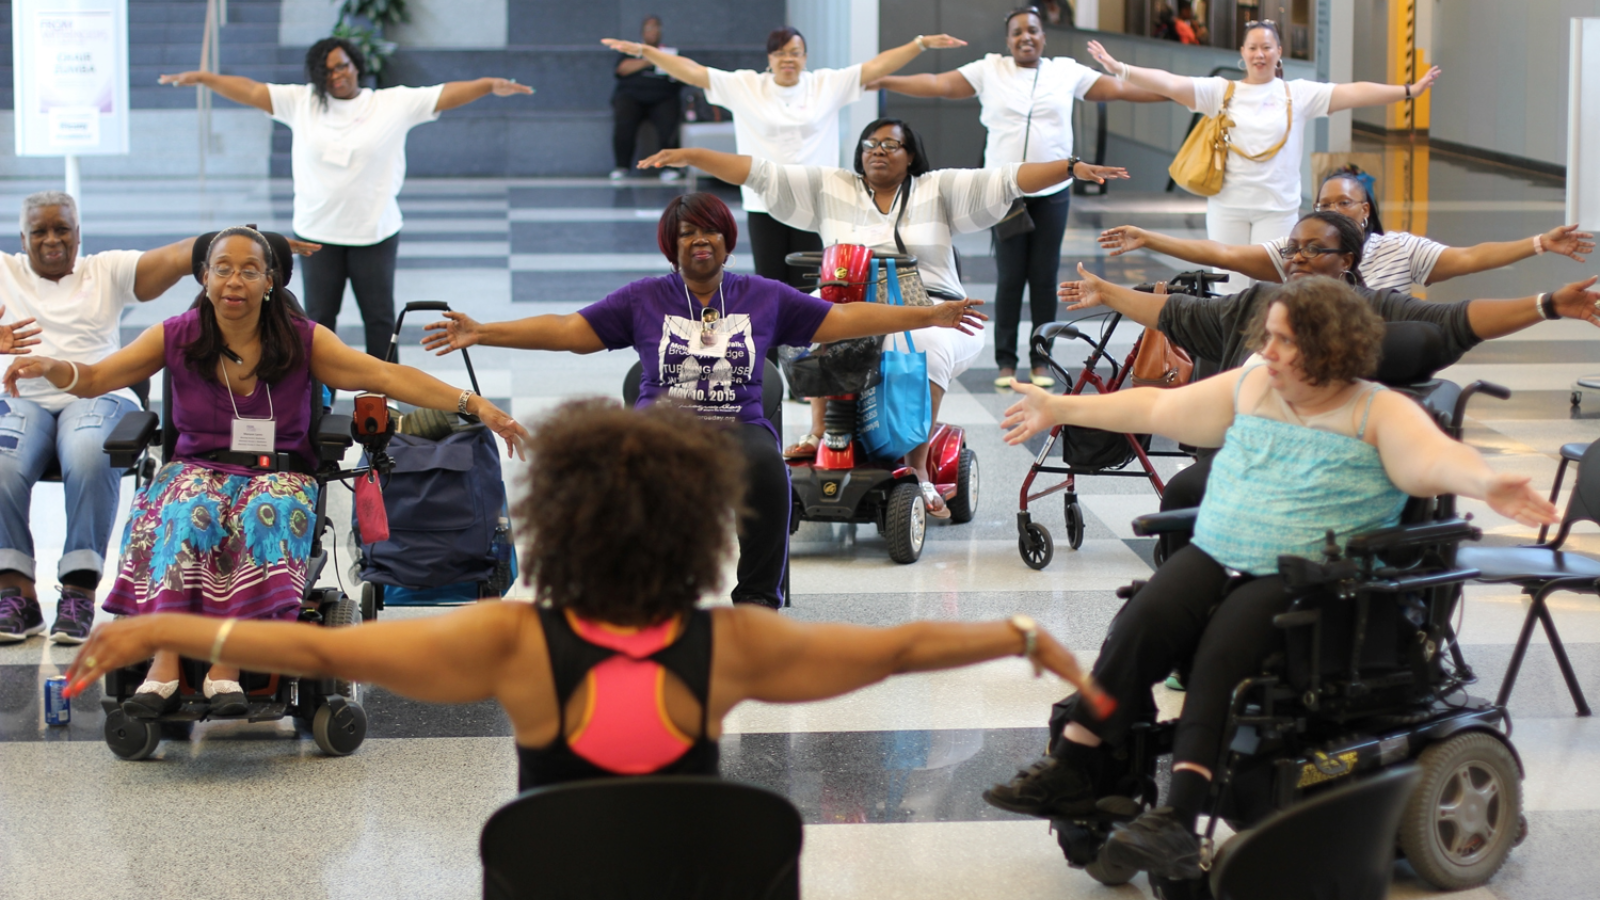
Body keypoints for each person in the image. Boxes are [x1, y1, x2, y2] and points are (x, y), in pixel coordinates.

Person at [60, 398, 1116, 792]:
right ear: (692, 530)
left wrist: (158, 622)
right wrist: (1023, 631)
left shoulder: (516, 646)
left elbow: (320, 654)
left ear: (551, 526)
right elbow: (894, 651)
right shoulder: (732, 646)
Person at [993, 276, 1558, 880]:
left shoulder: (1380, 410)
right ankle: (1077, 761)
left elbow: (1432, 461)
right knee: (1143, 620)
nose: (1267, 351)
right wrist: (1059, 407)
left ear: (1328, 348)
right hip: (1220, 550)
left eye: (1284, 341)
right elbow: (1156, 407)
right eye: (1268, 337)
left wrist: (1488, 482)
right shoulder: (1256, 385)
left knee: (1219, 652)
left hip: (1312, 575)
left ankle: (1178, 820)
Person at [3, 226, 528, 719]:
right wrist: (54, 368)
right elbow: (94, 377)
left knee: (264, 510)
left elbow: (385, 374)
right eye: (223, 268)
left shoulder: (302, 338)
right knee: (187, 507)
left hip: (277, 472)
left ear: (270, 280)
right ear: (204, 276)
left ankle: (227, 664)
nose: (235, 281)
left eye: (250, 269)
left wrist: (475, 405)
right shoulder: (176, 335)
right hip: (198, 467)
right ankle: (164, 659)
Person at [419, 193, 985, 607]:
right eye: (687, 233)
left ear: (724, 240)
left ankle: (759, 599)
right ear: (673, 246)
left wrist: (930, 314)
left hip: (738, 424)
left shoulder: (761, 295)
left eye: (709, 231)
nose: (699, 240)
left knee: (769, 471)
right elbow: (568, 330)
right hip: (660, 427)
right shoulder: (644, 298)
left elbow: (839, 318)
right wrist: (483, 330)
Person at [635, 119, 1127, 515]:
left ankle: (917, 468)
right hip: (845, 306)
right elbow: (760, 173)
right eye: (871, 144)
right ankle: (821, 433)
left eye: (892, 144)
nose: (879, 151)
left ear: (910, 155)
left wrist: (1070, 166)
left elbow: (1006, 178)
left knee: (924, 347)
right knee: (805, 333)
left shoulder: (937, 189)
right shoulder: (831, 187)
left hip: (934, 310)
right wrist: (692, 155)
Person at [1060, 210, 1600, 536]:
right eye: (1293, 250)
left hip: (1317, 466)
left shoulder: (1371, 309)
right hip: (1238, 457)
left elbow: (1457, 319)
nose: (1298, 259)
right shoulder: (1257, 301)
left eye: (1316, 251)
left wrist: (1547, 303)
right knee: (1187, 491)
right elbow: (1175, 315)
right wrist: (1106, 293)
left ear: (1347, 260)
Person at [0, 193, 315, 646]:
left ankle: (78, 588)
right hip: (23, 392)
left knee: (90, 451)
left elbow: (181, 254)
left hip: (97, 394)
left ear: (78, 232)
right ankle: (15, 591)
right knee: (5, 462)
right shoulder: (8, 272)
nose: (51, 239)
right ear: (21, 236)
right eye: (39, 231)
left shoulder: (103, 269)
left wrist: (255, 244)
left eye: (62, 229)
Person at [158, 38, 533, 358]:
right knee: (318, 321)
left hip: (374, 233)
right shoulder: (301, 102)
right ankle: (318, 399)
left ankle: (384, 396)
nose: (337, 76)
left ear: (356, 65)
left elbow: (445, 94)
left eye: (342, 66)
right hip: (316, 237)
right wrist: (205, 78)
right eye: (327, 72)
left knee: (380, 319)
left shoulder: (391, 104)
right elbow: (251, 90)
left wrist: (487, 84)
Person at [870, 5, 1164, 388]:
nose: (1026, 37)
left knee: (1043, 276)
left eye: (1033, 30)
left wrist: (1183, 94)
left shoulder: (1065, 72)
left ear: (1043, 36)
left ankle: (1041, 359)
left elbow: (1122, 89)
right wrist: (883, 81)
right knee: (1010, 276)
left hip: (1054, 190)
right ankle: (1005, 361)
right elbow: (938, 83)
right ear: (1008, 40)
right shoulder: (990, 69)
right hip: (1004, 192)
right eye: (1017, 32)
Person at [602, 26, 969, 288]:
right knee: (771, 281)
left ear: (804, 57)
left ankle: (806, 367)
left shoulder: (826, 84)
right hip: (765, 201)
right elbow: (694, 73)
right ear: (770, 58)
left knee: (813, 282)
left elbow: (876, 67)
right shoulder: (746, 85)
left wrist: (919, 43)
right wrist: (647, 52)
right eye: (780, 53)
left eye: (794, 53)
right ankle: (774, 366)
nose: (787, 60)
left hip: (817, 200)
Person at [1085, 22, 1441, 288]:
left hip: (1278, 210)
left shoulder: (1297, 94)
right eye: (1253, 48)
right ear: (1242, 53)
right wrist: (1122, 70)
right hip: (1228, 208)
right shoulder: (1221, 92)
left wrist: (1408, 90)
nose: (1260, 54)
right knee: (1229, 289)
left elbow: (1354, 92)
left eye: (1267, 47)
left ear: (1278, 53)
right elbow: (1171, 82)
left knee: (1277, 289)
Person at [1099, 166, 1595, 291]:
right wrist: (1151, 237)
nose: (1334, 208)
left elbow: (1470, 257)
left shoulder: (1399, 249)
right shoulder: (1301, 249)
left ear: (1364, 210)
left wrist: (1538, 244)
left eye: (1345, 202)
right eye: (1324, 202)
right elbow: (1224, 254)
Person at [609, 16, 685, 182]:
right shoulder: (632, 50)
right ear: (643, 32)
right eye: (649, 28)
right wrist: (652, 58)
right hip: (632, 96)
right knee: (624, 120)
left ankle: (670, 167)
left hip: (663, 97)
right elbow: (622, 69)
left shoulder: (671, 53)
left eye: (656, 28)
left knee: (670, 120)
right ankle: (622, 166)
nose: (653, 32)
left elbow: (684, 73)